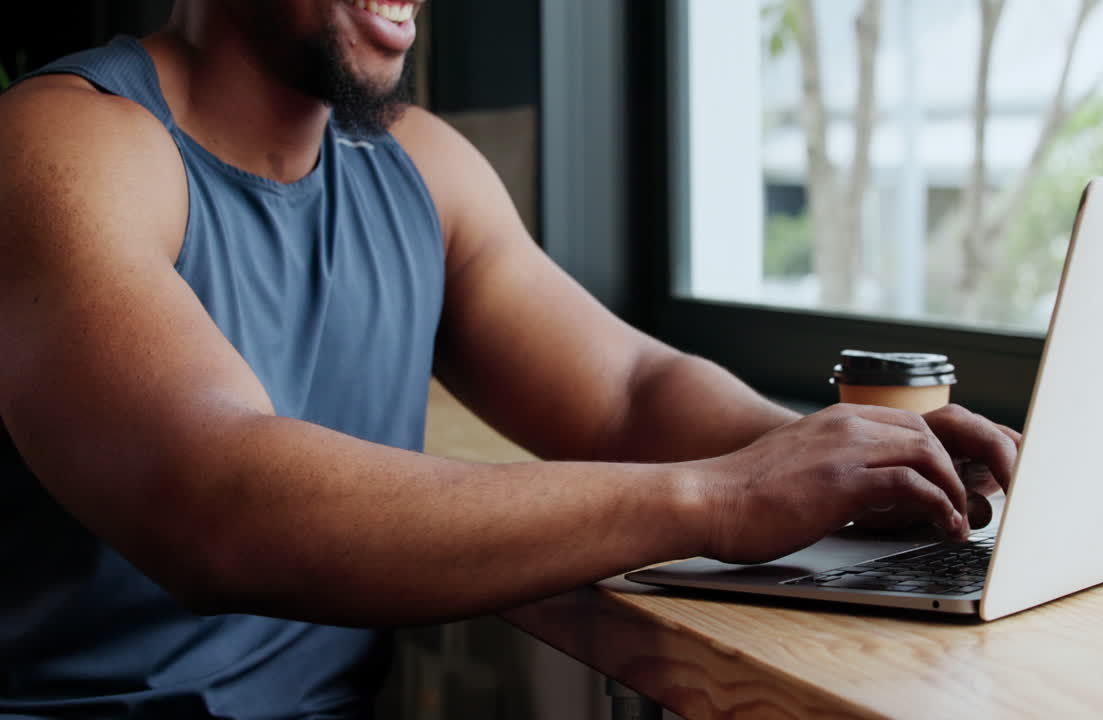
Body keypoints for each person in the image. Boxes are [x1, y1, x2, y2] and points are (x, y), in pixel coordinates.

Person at [0, 0, 1019, 716]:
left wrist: (847, 456)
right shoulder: (65, 144)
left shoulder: (422, 169)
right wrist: (714, 496)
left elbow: (625, 390)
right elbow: (215, 502)